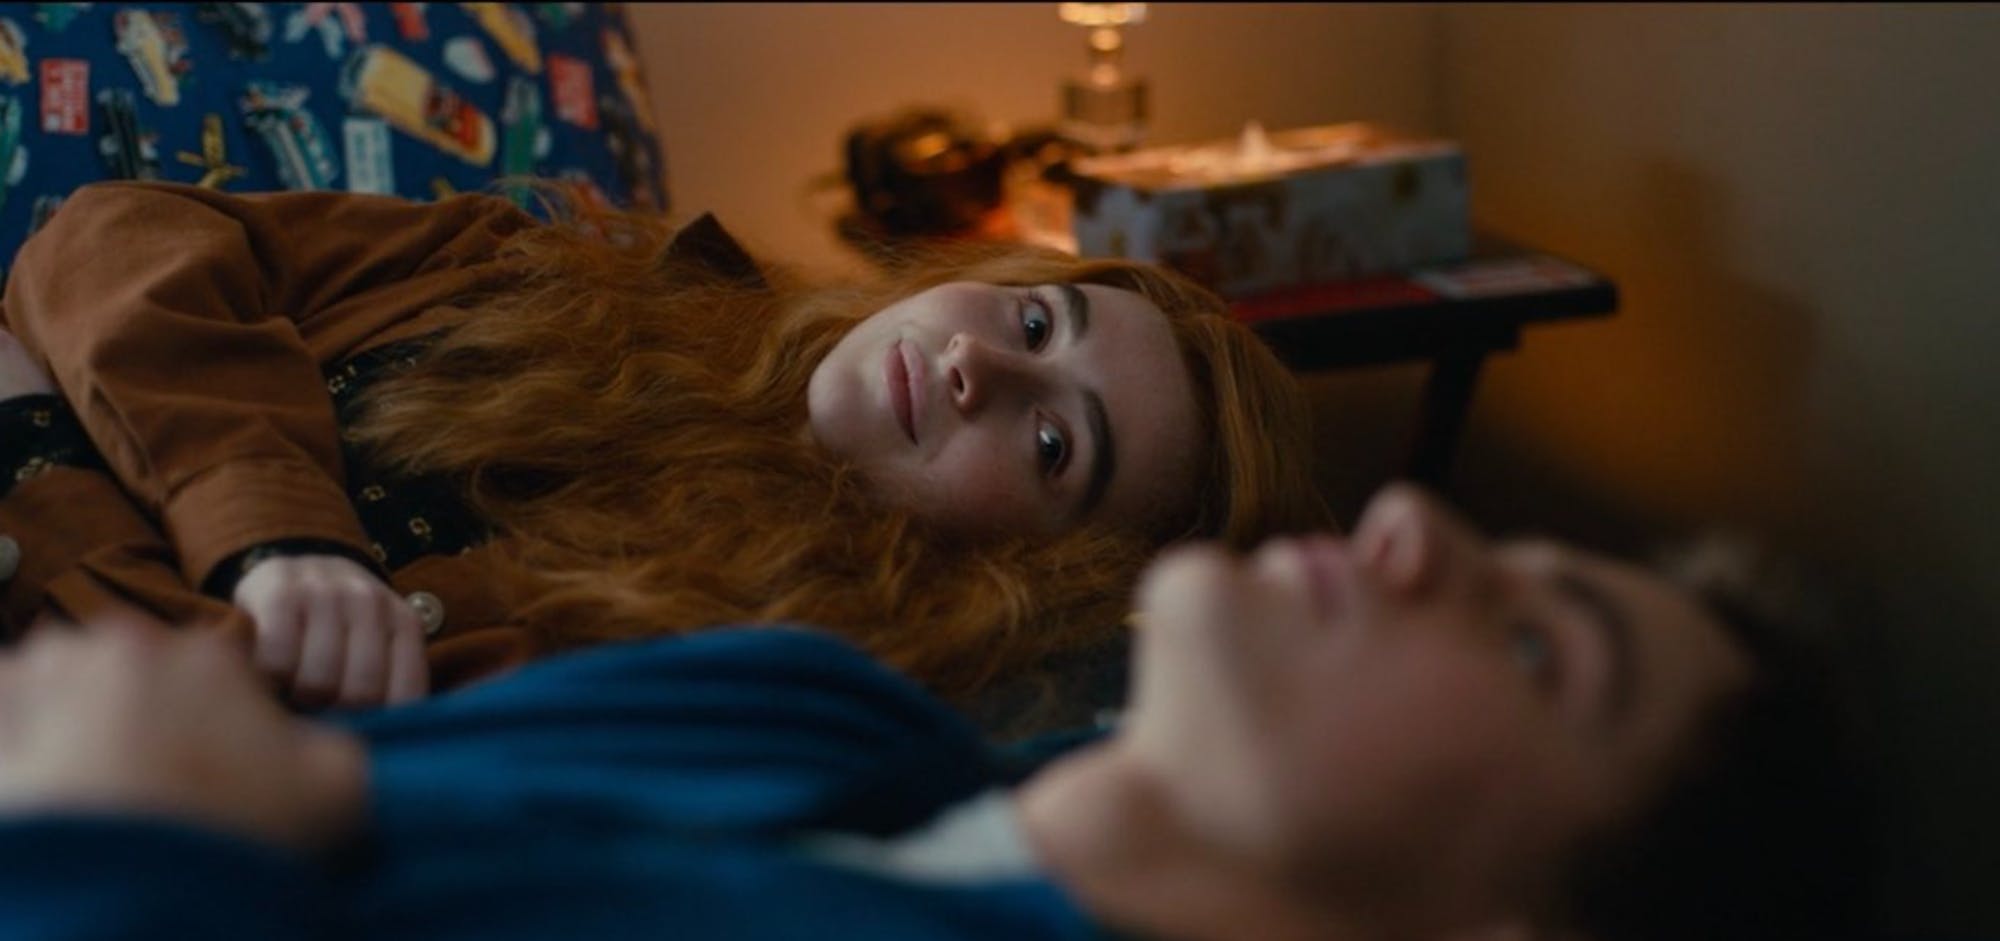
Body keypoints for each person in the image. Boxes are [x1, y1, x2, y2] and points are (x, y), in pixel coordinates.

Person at [0, 484, 1874, 941]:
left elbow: (137, 794)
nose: (1412, 522)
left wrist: (122, 852)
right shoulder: (796, 698)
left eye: (1538, 651)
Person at [0, 180, 1329, 711]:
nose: (982, 364)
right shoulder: (544, 262)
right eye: (1036, 319)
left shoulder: (730, 677)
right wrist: (268, 527)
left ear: (1049, 577)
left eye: (1051, 444)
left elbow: (199, 735)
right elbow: (121, 234)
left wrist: (35, 421)